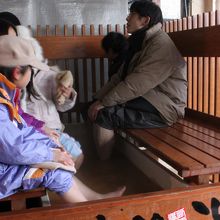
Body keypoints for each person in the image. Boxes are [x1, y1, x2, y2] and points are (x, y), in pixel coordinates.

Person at [0, 35, 125, 202]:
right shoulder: (3, 103)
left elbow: (22, 131)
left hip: (11, 159)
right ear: (17, 72)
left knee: (61, 165)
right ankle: (88, 209)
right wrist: (50, 154)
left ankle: (93, 199)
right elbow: (14, 148)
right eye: (30, 67)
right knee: (56, 172)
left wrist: (50, 147)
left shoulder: (7, 96)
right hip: (5, 168)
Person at [87, 0, 187, 160]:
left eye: (132, 13)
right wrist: (98, 99)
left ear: (145, 20)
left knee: (104, 114)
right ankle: (101, 159)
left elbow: (137, 84)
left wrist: (104, 103)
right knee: (94, 107)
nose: (127, 18)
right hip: (150, 98)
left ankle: (104, 168)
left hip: (165, 108)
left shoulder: (161, 45)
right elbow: (120, 77)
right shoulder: (141, 42)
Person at [0, 12, 84, 169]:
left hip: (47, 128)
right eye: (7, 40)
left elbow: (60, 105)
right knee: (60, 160)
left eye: (15, 38)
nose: (13, 43)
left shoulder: (43, 73)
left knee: (74, 154)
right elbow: (15, 141)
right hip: (25, 139)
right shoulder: (6, 91)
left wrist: (66, 95)